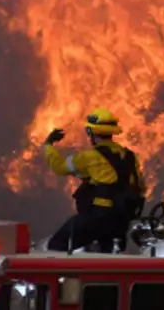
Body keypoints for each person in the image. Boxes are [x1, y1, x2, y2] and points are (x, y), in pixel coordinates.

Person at [42, 107, 146, 253]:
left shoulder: (89, 157)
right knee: (106, 259)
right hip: (121, 222)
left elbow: (59, 167)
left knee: (56, 246)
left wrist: (48, 146)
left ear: (91, 133)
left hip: (97, 219)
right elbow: (140, 185)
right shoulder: (129, 157)